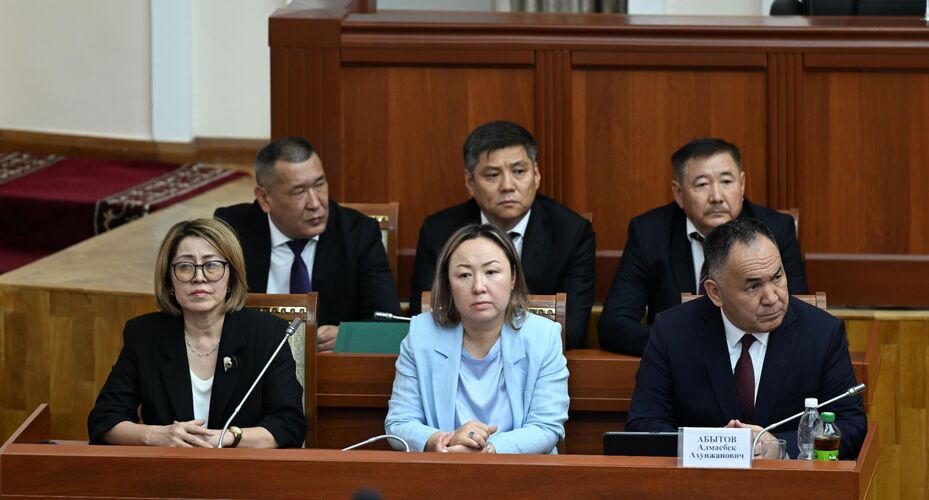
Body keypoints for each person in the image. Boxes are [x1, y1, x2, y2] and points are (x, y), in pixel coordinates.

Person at [627, 218, 866, 459]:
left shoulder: (822, 334)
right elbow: (643, 425)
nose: (772, 297)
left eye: (777, 277)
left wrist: (782, 448)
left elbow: (851, 427)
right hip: (699, 479)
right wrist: (713, 448)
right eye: (753, 287)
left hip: (788, 479)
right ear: (715, 292)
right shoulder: (672, 332)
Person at [88, 218, 307, 448]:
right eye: (185, 266)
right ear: (169, 280)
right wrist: (157, 435)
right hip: (168, 466)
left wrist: (228, 438)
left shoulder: (268, 334)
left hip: (243, 466)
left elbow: (289, 424)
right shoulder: (144, 335)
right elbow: (105, 419)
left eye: (212, 265)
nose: (199, 277)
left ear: (231, 276)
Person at [599, 137, 808, 356]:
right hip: (681, 365)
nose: (716, 197)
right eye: (702, 184)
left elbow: (797, 317)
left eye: (726, 182)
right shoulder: (650, 233)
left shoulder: (775, 230)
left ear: (742, 184)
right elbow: (613, 325)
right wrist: (684, 345)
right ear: (679, 193)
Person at [409, 121, 595, 349]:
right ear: (470, 181)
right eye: (492, 175)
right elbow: (426, 319)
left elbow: (572, 328)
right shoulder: (439, 231)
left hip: (538, 361)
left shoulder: (571, 232)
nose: (508, 185)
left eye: (519, 172)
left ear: (536, 174)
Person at [386, 224, 569, 454]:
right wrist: (445, 441)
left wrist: (489, 452)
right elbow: (399, 423)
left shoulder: (543, 336)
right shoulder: (421, 334)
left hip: (522, 470)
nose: (479, 287)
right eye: (464, 275)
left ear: (513, 277)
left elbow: (546, 427)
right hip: (443, 469)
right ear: (448, 283)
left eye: (491, 272)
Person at [215, 136, 401, 352]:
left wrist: (348, 337)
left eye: (319, 185)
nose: (315, 203)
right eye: (299, 192)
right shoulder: (231, 231)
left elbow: (390, 324)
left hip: (325, 364)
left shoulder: (358, 234)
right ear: (264, 198)